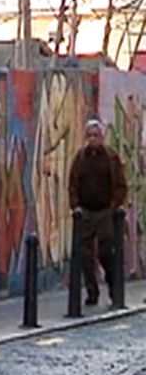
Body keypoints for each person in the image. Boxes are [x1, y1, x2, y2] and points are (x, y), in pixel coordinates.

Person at [68, 118, 127, 306]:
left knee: (105, 252)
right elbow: (73, 184)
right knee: (84, 256)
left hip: (104, 212)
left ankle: (112, 286)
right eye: (89, 135)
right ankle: (92, 292)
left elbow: (120, 184)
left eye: (96, 135)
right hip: (85, 212)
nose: (92, 139)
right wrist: (75, 205)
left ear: (102, 137)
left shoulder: (111, 157)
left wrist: (114, 205)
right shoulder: (80, 158)